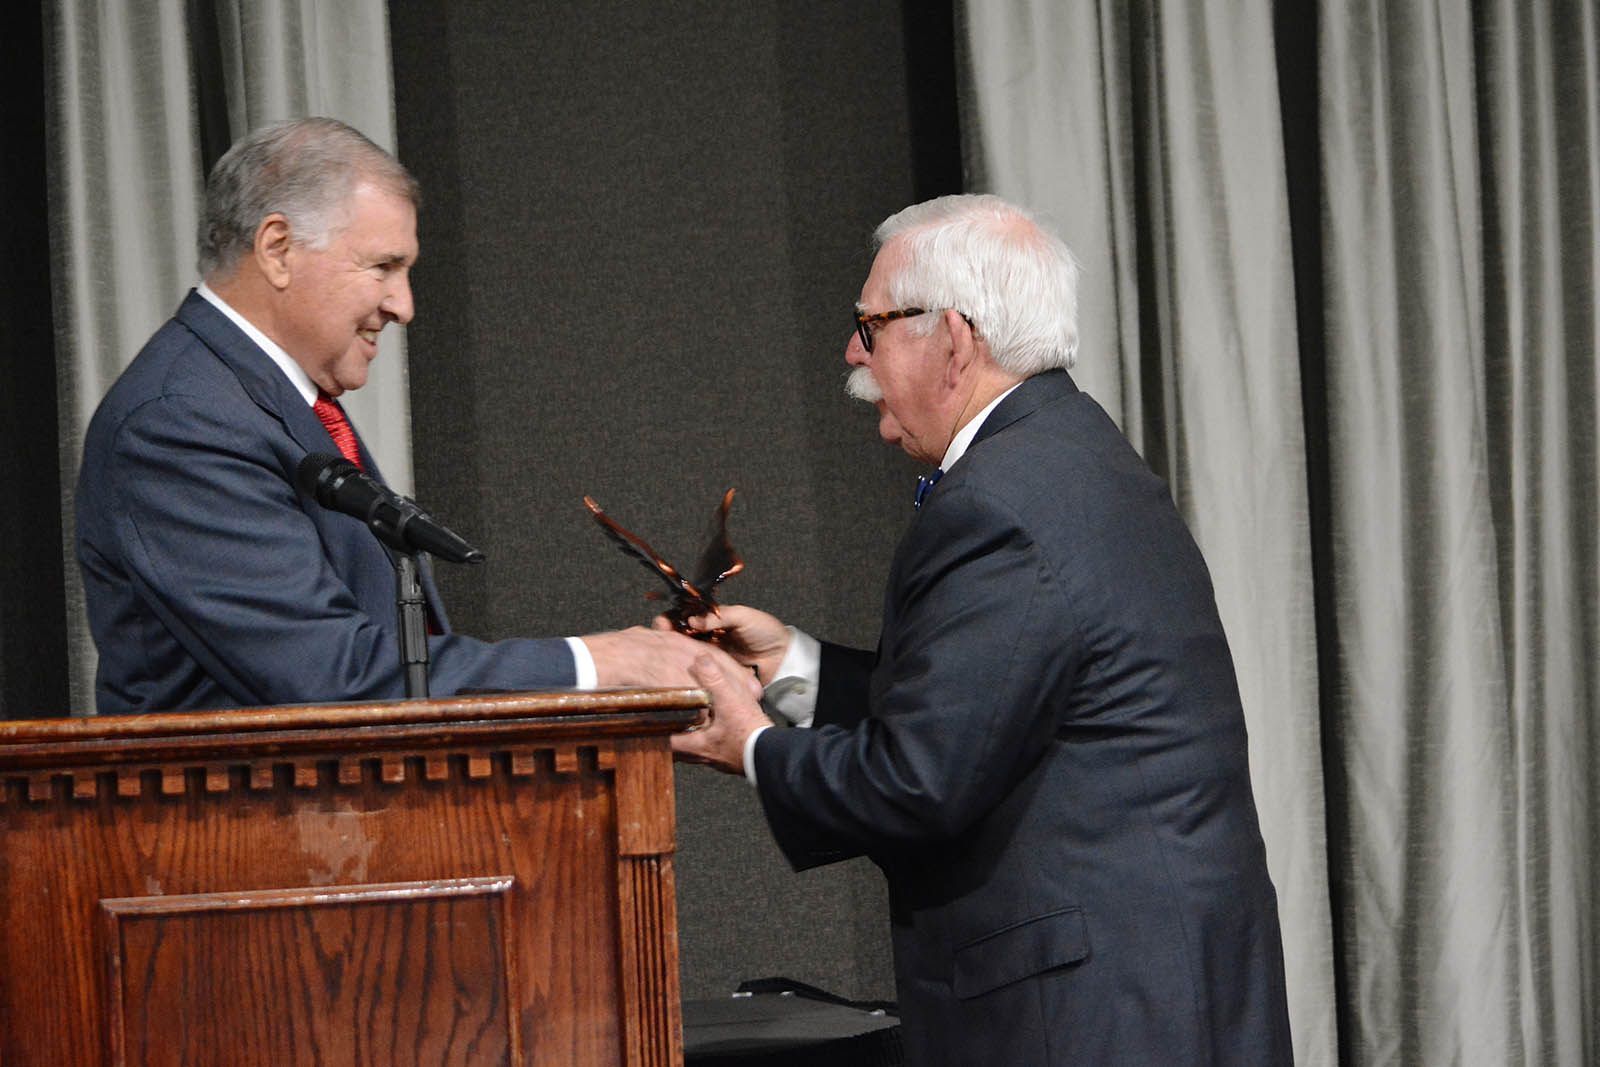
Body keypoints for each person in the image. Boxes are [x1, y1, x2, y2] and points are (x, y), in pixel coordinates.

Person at [672, 194, 1294, 1063]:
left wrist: (747, 742)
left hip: (1091, 1017)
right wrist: (787, 663)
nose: (853, 352)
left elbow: (920, 781)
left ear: (953, 341)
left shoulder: (1001, 505)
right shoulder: (1068, 456)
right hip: (1151, 989)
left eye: (870, 324)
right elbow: (982, 712)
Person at [76, 117, 736, 715]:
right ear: (277, 247)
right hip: (238, 839)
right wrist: (599, 664)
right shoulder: (180, 422)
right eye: (385, 266)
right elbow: (334, 675)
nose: (405, 305)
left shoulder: (274, 399)